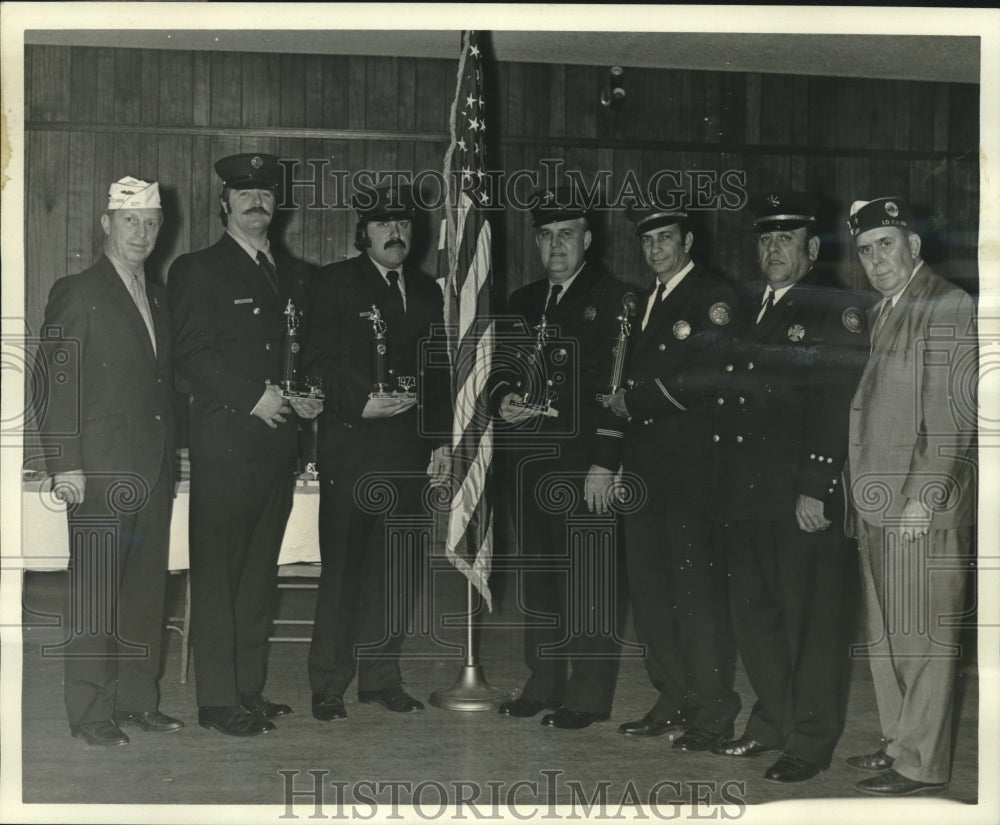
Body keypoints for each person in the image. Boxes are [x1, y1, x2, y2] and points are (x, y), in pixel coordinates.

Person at [709, 192, 869, 783]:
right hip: (746, 495)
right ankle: (771, 719)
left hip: (799, 496)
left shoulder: (837, 309)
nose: (772, 249)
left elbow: (833, 403)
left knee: (813, 622)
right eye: (765, 239)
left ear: (812, 248)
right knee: (756, 616)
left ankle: (810, 738)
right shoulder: (750, 307)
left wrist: (816, 485)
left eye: (785, 239)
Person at [168, 153, 322, 737]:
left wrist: (310, 397)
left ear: (275, 204)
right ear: (225, 203)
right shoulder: (197, 269)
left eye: (265, 192)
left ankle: (248, 691)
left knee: (260, 576)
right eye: (244, 192)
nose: (256, 201)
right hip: (226, 445)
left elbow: (301, 357)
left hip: (278, 449)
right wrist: (252, 398)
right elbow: (189, 354)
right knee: (218, 576)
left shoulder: (294, 274)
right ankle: (216, 702)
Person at [38, 176, 182, 746]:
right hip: (97, 471)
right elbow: (55, 382)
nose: (142, 232)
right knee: (95, 593)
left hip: (152, 469)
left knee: (146, 593)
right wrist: (65, 463)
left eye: (151, 222)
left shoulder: (160, 297)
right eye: (130, 221)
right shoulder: (77, 290)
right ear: (106, 224)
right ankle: (91, 713)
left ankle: (137, 701)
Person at [844, 197, 976, 796]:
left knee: (923, 639)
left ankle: (920, 763)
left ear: (914, 247)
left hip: (919, 505)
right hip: (878, 499)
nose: (876, 259)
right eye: (866, 249)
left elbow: (951, 413)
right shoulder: (885, 310)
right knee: (889, 634)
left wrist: (923, 495)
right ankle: (899, 742)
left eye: (887, 244)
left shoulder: (945, 303)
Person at [304, 183, 450, 722]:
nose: (396, 233)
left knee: (397, 571)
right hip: (353, 447)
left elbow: (439, 371)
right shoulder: (335, 282)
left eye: (406, 224)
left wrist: (438, 439)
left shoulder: (428, 291)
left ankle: (381, 679)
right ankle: (328, 686)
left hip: (409, 454)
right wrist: (359, 403)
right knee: (342, 571)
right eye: (385, 224)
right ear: (363, 232)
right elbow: (313, 362)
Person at [604, 201, 741, 750]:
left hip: (691, 472)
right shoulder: (642, 302)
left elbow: (706, 380)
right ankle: (672, 695)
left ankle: (713, 708)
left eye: (665, 238)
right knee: (652, 592)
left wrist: (631, 401)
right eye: (648, 241)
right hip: (644, 471)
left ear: (688, 242)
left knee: (695, 593)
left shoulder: (713, 298)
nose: (655, 249)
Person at [493, 188, 631, 730]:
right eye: (547, 235)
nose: (556, 245)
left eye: (567, 234)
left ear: (587, 240)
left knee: (590, 581)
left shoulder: (615, 299)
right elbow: (499, 369)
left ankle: (589, 695)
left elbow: (619, 388)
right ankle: (544, 681)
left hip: (582, 465)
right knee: (543, 578)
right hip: (528, 465)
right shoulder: (523, 301)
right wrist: (501, 396)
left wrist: (605, 460)